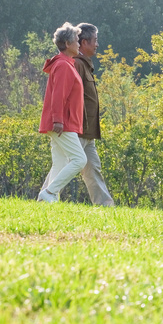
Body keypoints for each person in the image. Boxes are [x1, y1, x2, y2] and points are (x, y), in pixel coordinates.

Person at [37, 23, 87, 202]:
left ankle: (46, 200)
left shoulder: (65, 64)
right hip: (62, 123)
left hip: (61, 122)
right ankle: (49, 193)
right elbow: (58, 96)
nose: (79, 44)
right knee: (79, 160)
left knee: (59, 162)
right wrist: (58, 120)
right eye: (76, 41)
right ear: (67, 44)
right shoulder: (64, 66)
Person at [72, 23, 115, 206]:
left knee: (93, 168)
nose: (97, 45)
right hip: (78, 129)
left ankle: (105, 205)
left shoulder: (85, 64)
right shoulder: (77, 64)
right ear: (83, 42)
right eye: (95, 40)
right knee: (66, 166)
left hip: (88, 131)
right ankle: (46, 195)